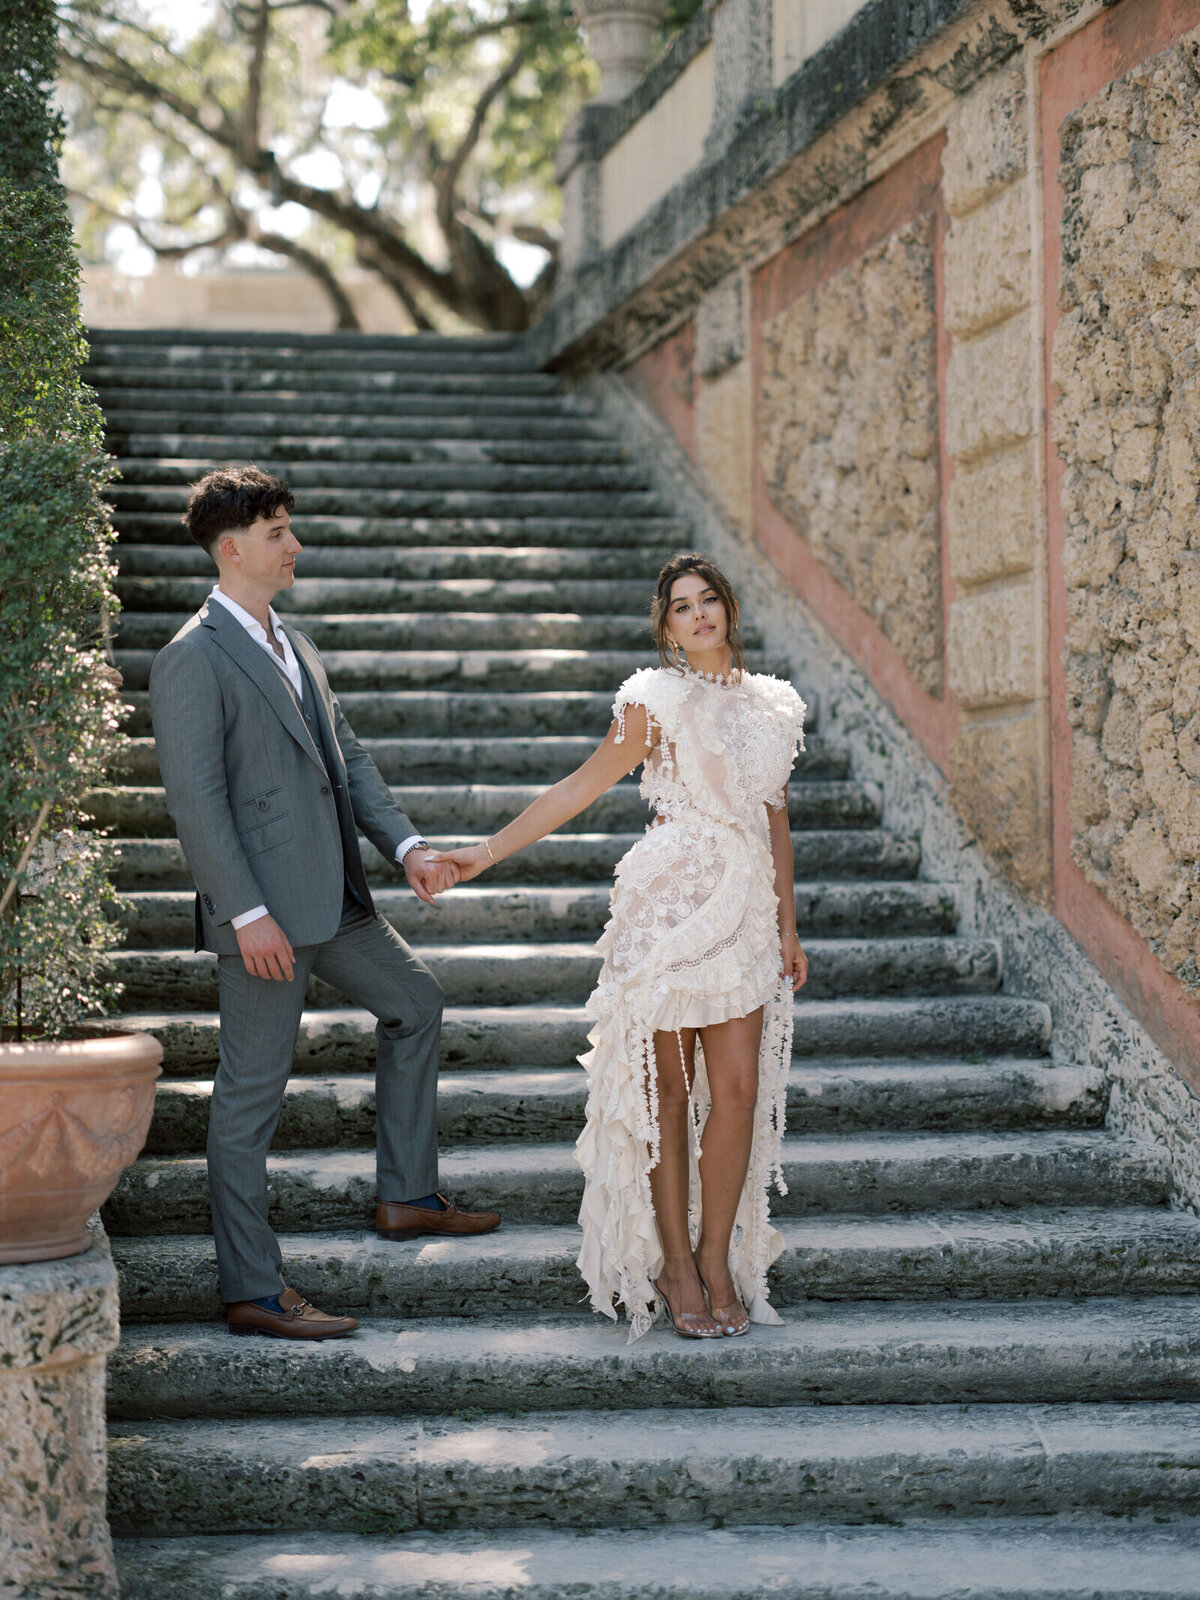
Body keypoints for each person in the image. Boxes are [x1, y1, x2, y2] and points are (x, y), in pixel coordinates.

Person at [149, 465, 501, 1343]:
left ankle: (408, 1196)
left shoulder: (293, 642)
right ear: (233, 549)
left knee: (416, 1002)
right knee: (247, 1102)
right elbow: (197, 801)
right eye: (277, 533)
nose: (294, 545)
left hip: (338, 899)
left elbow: (349, 760)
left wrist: (410, 848)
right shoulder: (190, 656)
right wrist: (242, 913)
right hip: (264, 919)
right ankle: (253, 1290)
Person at [430, 553, 808, 1341]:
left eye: (709, 600)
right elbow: (581, 785)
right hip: (667, 910)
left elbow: (774, 819)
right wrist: (484, 854)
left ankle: (714, 1259)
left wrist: (788, 928)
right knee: (667, 1098)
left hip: (743, 911)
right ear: (665, 626)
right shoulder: (653, 700)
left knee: (735, 1092)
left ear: (730, 609)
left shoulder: (777, 706)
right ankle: (675, 1268)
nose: (698, 614)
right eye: (681, 606)